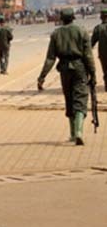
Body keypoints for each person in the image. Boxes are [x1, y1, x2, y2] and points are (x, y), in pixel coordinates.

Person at [37, 8, 96, 146]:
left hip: (64, 69)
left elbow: (50, 58)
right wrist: (93, 73)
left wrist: (42, 77)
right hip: (79, 67)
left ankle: (72, 133)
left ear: (61, 19)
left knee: (69, 98)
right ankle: (79, 132)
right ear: (74, 17)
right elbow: (88, 55)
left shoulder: (56, 33)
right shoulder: (82, 31)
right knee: (80, 99)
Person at [91, 8, 107, 92]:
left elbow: (91, 43)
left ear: (101, 17)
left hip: (104, 55)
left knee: (106, 71)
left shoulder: (98, 28)